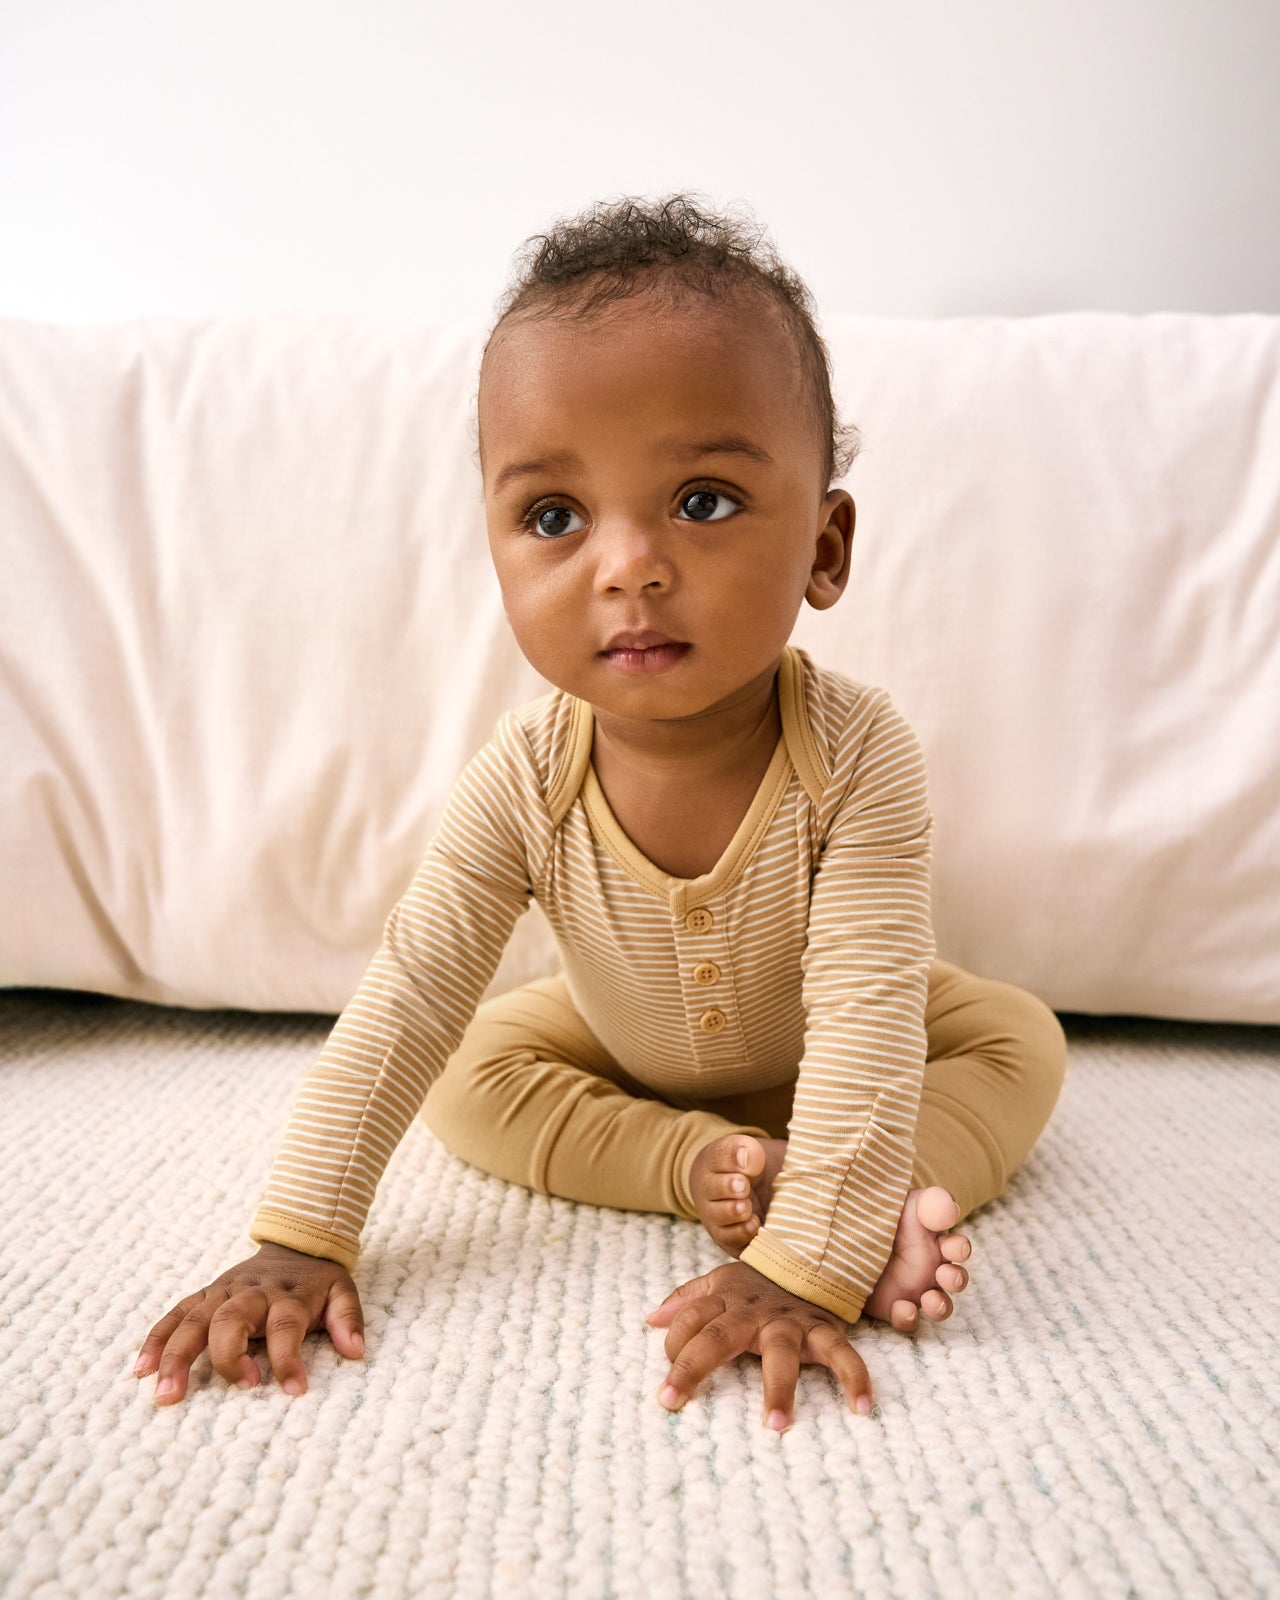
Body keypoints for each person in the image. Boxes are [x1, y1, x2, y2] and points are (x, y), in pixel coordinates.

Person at [135, 195, 1067, 1431]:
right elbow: (406, 999)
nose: (625, 564)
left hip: (848, 1035)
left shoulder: (857, 755)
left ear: (824, 549)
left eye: (701, 500)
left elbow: (860, 1007)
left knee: (1014, 1039)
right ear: (498, 553)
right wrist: (300, 1234)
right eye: (554, 518)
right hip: (621, 1041)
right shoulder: (523, 775)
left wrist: (805, 1264)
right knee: (471, 1065)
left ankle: (862, 1188)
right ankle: (704, 1166)